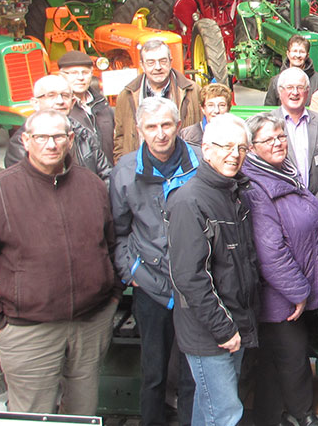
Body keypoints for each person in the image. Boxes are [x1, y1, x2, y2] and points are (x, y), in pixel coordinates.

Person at [0, 109, 120, 414]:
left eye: (58, 136)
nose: (50, 144)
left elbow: (110, 244)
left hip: (89, 324)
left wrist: (111, 296)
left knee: (82, 412)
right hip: (27, 331)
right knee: (32, 416)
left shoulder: (92, 186)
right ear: (25, 140)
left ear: (71, 140)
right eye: (41, 137)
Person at [241, 112, 318, 426]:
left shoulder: (283, 172)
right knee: (293, 357)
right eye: (268, 139)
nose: (278, 143)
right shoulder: (257, 186)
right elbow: (271, 252)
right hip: (280, 294)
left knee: (273, 358)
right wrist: (298, 292)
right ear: (252, 148)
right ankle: (302, 414)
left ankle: (270, 416)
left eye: (281, 136)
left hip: (289, 290)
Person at [110, 97, 197, 426]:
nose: (160, 134)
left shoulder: (198, 164)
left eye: (166, 125)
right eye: (151, 127)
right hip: (151, 285)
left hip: (194, 286)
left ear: (178, 126)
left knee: (192, 372)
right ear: (139, 130)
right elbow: (117, 230)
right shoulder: (125, 171)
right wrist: (129, 271)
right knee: (154, 371)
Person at [167, 114, 259, 426]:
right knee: (225, 413)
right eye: (225, 147)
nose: (234, 154)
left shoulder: (233, 193)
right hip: (212, 333)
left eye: (242, 148)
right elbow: (190, 278)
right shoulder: (190, 201)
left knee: (209, 407)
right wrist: (224, 329)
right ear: (206, 149)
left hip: (233, 323)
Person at [5, 75, 112, 182]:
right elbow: (24, 188)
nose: (60, 101)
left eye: (65, 95)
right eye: (51, 95)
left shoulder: (83, 134)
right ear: (35, 103)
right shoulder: (22, 143)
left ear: (73, 103)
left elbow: (105, 175)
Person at [115, 39, 202, 161]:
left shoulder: (192, 91)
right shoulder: (127, 95)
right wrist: (125, 169)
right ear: (142, 65)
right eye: (151, 62)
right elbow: (120, 138)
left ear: (171, 61)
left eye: (162, 61)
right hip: (141, 170)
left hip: (184, 167)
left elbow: (204, 129)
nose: (158, 67)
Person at [273, 68, 318, 194]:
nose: (295, 92)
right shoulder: (268, 124)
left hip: (317, 203)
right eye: (289, 87)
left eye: (300, 87)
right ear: (280, 91)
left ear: (307, 92)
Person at [58, 50, 115, 158]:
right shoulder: (59, 109)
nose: (80, 78)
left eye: (85, 72)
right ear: (61, 76)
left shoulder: (102, 105)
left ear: (92, 74)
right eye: (74, 73)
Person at [264, 35, 318, 106]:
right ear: (288, 54)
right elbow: (269, 110)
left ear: (307, 55)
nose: (298, 55)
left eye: (302, 52)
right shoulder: (276, 81)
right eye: (295, 51)